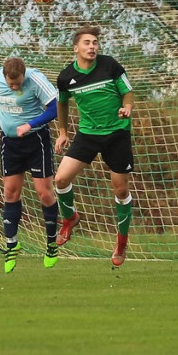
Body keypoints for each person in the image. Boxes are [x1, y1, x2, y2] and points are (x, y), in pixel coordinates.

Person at [53, 26, 135, 268]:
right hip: (88, 135)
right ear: (76, 48)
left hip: (117, 133)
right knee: (60, 179)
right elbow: (63, 104)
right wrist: (62, 132)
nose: (92, 47)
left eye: (95, 43)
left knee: (120, 190)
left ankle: (121, 242)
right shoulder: (66, 77)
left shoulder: (110, 65)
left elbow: (127, 92)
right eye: (87, 43)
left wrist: (127, 108)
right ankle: (70, 218)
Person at [0, 56, 60, 273]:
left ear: (24, 75)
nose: (14, 86)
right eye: (10, 83)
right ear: (4, 76)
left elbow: (54, 109)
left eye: (18, 83)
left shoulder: (36, 79)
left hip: (35, 141)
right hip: (10, 143)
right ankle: (12, 245)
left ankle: (51, 244)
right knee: (10, 193)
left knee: (44, 193)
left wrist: (30, 125)